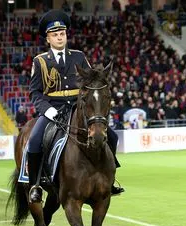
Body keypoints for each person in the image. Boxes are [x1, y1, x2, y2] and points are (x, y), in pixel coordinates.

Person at [27, 9, 124, 204]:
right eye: (55, 35)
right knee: (35, 141)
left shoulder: (79, 57)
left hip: (77, 109)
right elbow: (35, 93)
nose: (59, 37)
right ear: (48, 39)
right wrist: (47, 110)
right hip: (52, 110)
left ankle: (110, 180)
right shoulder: (40, 61)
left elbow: (90, 82)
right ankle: (35, 185)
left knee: (111, 136)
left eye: (62, 34)